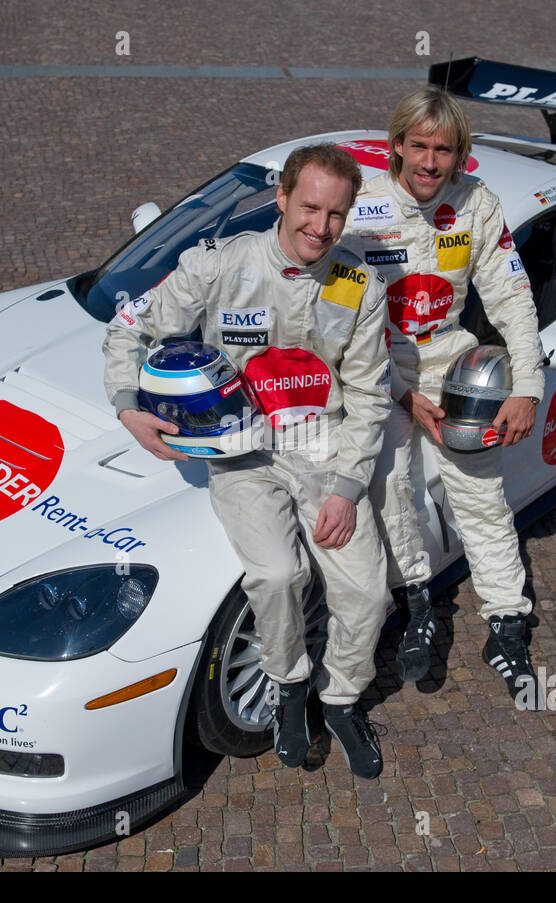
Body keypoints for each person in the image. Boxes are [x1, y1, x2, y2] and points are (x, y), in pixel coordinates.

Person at [102, 144, 393, 777]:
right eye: (309, 207)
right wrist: (128, 405)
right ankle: (289, 686)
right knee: (277, 576)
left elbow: (371, 394)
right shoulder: (220, 266)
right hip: (241, 452)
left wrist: (346, 486)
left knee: (367, 590)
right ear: (283, 199)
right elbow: (130, 328)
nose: (321, 227)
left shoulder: (360, 285)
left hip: (322, 449)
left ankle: (340, 700)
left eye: (336, 214)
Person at [338, 88, 547, 703]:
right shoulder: (361, 207)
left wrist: (528, 387)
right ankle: (418, 606)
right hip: (377, 371)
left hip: (454, 369)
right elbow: (338, 320)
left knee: (481, 498)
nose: (430, 163)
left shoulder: (477, 204)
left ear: (461, 156)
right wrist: (401, 394)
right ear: (396, 146)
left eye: (444, 150)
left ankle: (506, 625)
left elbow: (512, 299)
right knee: (389, 486)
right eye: (419, 146)